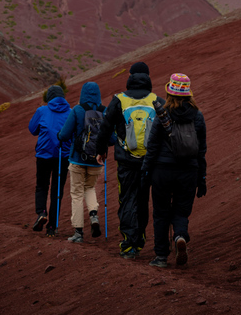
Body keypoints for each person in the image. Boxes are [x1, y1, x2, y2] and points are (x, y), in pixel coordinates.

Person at [96, 62, 166, 259]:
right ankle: (140, 239)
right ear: (148, 77)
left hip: (126, 162)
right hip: (149, 162)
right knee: (143, 200)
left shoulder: (119, 100)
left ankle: (128, 245)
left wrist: (101, 151)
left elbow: (105, 128)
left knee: (127, 200)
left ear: (131, 76)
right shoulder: (156, 100)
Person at [141, 73, 207, 268]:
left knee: (161, 213)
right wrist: (201, 177)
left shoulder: (162, 113)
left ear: (169, 92)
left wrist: (146, 172)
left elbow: (152, 146)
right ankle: (179, 235)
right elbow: (201, 150)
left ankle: (161, 256)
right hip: (188, 171)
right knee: (181, 211)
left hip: (162, 171)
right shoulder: (198, 116)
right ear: (188, 94)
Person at [58, 82, 111, 243]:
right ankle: (93, 215)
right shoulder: (105, 111)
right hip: (97, 160)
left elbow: (65, 135)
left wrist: (60, 136)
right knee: (90, 188)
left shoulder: (78, 110)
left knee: (76, 194)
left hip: (77, 159)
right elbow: (113, 138)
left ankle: (78, 232)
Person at [29, 85, 72, 237]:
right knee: (57, 191)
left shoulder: (42, 111)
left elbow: (32, 129)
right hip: (63, 157)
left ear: (49, 98)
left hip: (43, 155)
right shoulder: (70, 112)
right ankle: (52, 227)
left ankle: (41, 212)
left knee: (41, 186)